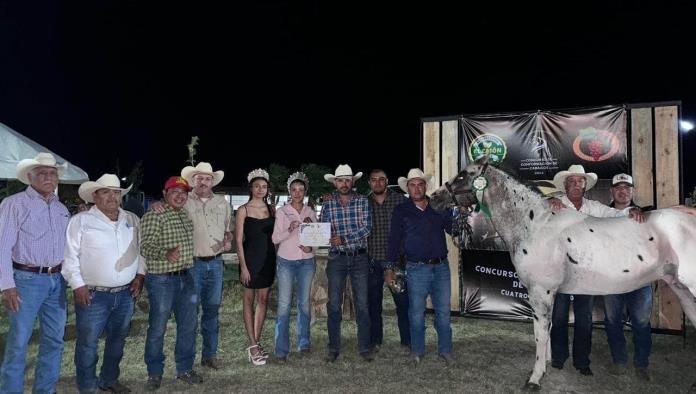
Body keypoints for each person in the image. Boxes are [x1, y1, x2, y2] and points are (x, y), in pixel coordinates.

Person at [548, 165, 644, 376]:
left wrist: (633, 210)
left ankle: (582, 361)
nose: (575, 185)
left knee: (584, 319)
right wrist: (546, 202)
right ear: (565, 186)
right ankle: (558, 356)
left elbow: (616, 214)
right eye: (571, 181)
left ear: (585, 185)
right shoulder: (554, 204)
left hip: (587, 273)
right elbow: (533, 212)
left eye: (579, 181)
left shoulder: (594, 207)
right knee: (559, 316)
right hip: (561, 271)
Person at [62, 174, 146, 394]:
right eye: (106, 192)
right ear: (95, 195)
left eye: (116, 192)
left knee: (117, 341)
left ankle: (109, 379)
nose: (112, 196)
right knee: (88, 344)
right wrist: (78, 285)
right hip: (92, 294)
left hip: (126, 294)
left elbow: (141, 251)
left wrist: (140, 276)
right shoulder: (80, 222)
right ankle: (87, 385)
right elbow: (70, 257)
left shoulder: (131, 220)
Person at [0, 153, 70, 394]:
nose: (48, 177)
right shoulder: (14, 204)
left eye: (52, 173)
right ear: (30, 177)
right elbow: (2, 246)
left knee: (54, 341)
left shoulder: (61, 209)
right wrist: (7, 285)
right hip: (26, 281)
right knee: (18, 343)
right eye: (42, 173)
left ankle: (45, 390)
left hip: (57, 281)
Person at [386, 168, 455, 364]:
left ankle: (445, 350)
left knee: (443, 312)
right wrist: (389, 267)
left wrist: (456, 213)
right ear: (407, 188)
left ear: (425, 186)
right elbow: (393, 240)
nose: (417, 188)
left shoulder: (438, 206)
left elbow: (452, 229)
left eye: (420, 184)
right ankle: (417, 350)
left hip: (441, 267)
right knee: (416, 312)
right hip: (416, 268)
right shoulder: (401, 210)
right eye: (413, 185)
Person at [140, 176, 201, 390]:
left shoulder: (184, 215)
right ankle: (154, 372)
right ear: (165, 193)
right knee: (158, 327)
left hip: (186, 276)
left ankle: (184, 368)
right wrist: (165, 253)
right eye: (174, 191)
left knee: (189, 325)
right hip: (162, 280)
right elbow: (145, 247)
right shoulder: (154, 215)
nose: (179, 196)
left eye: (183, 193)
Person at [180, 162, 233, 369]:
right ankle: (187, 360)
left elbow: (228, 229)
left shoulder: (222, 203)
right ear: (193, 180)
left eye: (207, 178)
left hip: (216, 264)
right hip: (192, 264)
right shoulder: (183, 201)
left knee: (212, 311)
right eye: (199, 178)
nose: (203, 182)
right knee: (190, 313)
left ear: (213, 181)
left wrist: (227, 239)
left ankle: (209, 355)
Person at [320, 164, 373, 362]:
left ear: (353, 182)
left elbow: (367, 228)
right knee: (333, 305)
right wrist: (320, 234)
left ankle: (365, 347)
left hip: (359, 257)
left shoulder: (362, 201)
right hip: (336, 259)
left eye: (347, 180)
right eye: (340, 180)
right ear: (335, 183)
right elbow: (323, 229)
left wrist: (343, 238)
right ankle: (333, 348)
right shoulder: (327, 204)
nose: (344, 183)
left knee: (362, 304)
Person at [602, 173, 653, 381]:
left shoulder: (647, 215)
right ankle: (619, 360)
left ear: (632, 191)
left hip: (640, 278)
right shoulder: (601, 215)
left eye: (627, 187)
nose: (623, 191)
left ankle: (641, 363)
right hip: (611, 278)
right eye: (618, 187)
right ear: (612, 191)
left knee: (641, 321)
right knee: (613, 321)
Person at [271, 172, 317, 362]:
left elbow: (317, 237)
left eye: (301, 190)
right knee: (283, 305)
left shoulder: (310, 211)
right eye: (294, 190)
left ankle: (304, 342)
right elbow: (275, 238)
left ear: (305, 192)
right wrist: (290, 229)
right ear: (289, 192)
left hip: (307, 261)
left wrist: (311, 246)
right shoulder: (282, 212)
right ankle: (281, 349)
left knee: (304, 303)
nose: (297, 193)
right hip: (286, 262)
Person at [366, 169, 410, 351]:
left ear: (387, 181)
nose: (378, 183)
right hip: (372, 262)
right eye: (374, 180)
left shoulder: (401, 201)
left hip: (397, 262)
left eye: (381, 180)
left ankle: (407, 341)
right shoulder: (363, 202)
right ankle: (375, 340)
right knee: (373, 305)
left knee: (402, 304)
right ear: (369, 183)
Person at [236, 169, 276, 365]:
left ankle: (256, 341)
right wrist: (243, 266)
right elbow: (238, 240)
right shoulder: (243, 209)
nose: (261, 189)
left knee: (263, 299)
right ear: (251, 188)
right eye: (257, 186)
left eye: (264, 186)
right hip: (250, 259)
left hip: (268, 258)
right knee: (248, 300)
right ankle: (252, 345)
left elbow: (277, 235)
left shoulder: (272, 208)